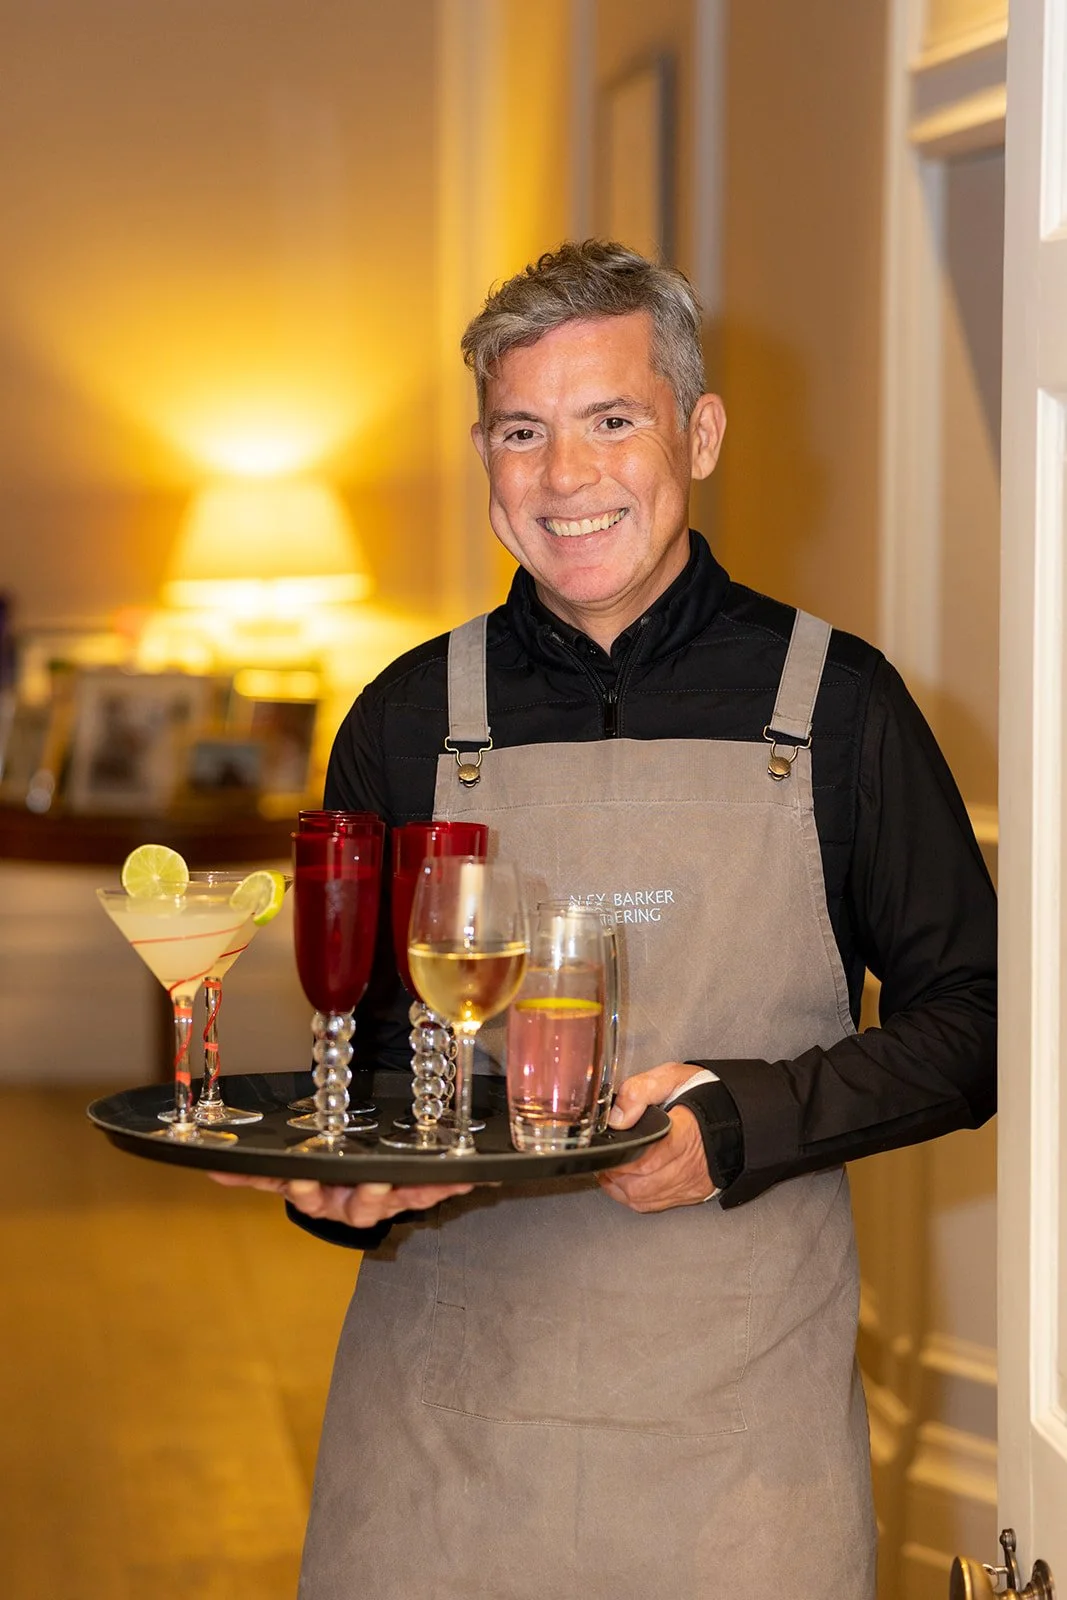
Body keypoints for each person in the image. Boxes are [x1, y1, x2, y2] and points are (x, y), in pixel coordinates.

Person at [213, 240, 996, 1599]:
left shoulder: (840, 708)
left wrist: (735, 1125)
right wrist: (344, 1188)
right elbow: (383, 1065)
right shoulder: (405, 720)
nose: (563, 479)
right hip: (444, 1437)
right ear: (485, 455)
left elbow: (980, 1028)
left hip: (742, 1449)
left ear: (697, 432)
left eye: (609, 421)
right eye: (522, 432)